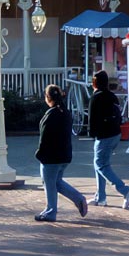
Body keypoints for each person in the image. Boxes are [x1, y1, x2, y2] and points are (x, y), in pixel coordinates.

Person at [34, 84, 88, 222]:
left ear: (48, 97)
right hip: (64, 155)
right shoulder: (66, 112)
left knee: (49, 184)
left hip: (51, 157)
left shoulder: (51, 115)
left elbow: (44, 138)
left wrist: (39, 154)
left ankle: (51, 211)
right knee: (56, 182)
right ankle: (77, 199)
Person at [89, 70, 129, 209]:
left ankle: (124, 190)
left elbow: (91, 119)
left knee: (101, 165)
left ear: (94, 83)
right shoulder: (112, 96)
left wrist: (91, 134)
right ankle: (100, 197)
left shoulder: (95, 97)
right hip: (115, 133)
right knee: (100, 164)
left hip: (104, 135)